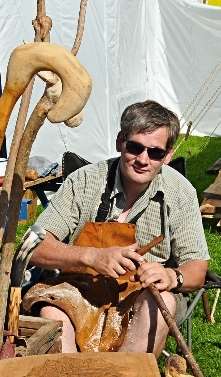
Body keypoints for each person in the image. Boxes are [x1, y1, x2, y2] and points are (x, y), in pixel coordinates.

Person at [26, 100, 209, 357]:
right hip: (81, 288)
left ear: (167, 155)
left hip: (142, 295)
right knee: (52, 311)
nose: (143, 160)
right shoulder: (85, 181)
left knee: (162, 303)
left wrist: (171, 276)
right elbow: (34, 246)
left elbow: (197, 268)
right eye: (135, 147)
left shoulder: (180, 193)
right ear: (120, 142)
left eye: (155, 152)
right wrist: (91, 256)